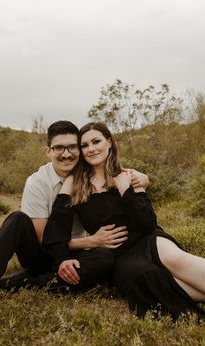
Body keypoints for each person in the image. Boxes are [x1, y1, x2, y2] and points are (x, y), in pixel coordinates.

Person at [0, 120, 149, 330]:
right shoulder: (38, 182)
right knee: (17, 219)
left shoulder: (89, 174)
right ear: (48, 151)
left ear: (80, 151)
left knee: (104, 259)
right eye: (58, 148)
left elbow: (119, 170)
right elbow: (43, 240)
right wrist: (89, 241)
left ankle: (22, 283)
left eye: (72, 147)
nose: (66, 154)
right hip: (44, 253)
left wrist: (144, 178)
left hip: (78, 255)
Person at [44, 122, 205, 320]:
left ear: (109, 142)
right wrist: (64, 258)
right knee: (145, 278)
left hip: (148, 240)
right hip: (119, 256)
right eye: (85, 145)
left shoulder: (128, 175)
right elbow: (56, 229)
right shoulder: (75, 182)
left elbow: (147, 223)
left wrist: (125, 191)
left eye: (96, 141)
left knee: (176, 259)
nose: (91, 148)